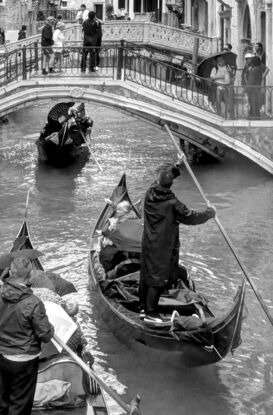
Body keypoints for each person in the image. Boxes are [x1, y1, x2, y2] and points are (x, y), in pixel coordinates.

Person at [139, 161, 216, 322]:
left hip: (149, 242)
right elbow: (191, 217)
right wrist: (209, 214)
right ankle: (150, 313)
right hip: (163, 246)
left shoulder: (149, 193)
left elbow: (161, 179)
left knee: (146, 274)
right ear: (169, 186)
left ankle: (142, 307)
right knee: (158, 279)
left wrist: (175, 169)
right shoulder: (173, 204)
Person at [0, 257, 54, 415]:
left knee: (2, 399)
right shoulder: (34, 303)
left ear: (10, 272)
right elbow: (45, 335)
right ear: (30, 276)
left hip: (2, 355)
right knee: (20, 403)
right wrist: (51, 328)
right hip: (24, 360)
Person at [99, 201, 134, 272]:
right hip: (125, 239)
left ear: (125, 211)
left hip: (121, 243)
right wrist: (112, 205)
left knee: (105, 252)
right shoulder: (130, 214)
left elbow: (115, 233)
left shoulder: (123, 221)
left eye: (119, 210)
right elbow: (118, 211)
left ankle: (107, 271)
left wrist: (103, 232)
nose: (117, 211)